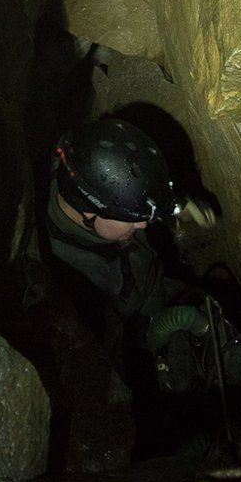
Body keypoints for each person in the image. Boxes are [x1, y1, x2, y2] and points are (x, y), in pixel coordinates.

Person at [46, 117, 213, 348]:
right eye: (132, 220)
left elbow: (122, 187)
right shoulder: (75, 280)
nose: (143, 226)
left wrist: (173, 206)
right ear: (89, 212)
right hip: (138, 320)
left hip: (154, 282)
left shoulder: (74, 163)